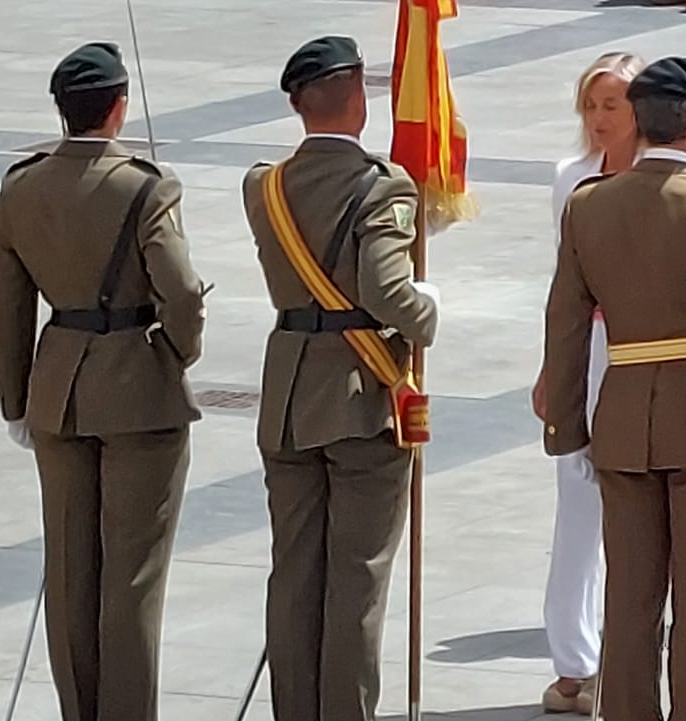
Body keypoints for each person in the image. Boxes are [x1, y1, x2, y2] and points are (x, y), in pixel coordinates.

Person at [540, 55, 686, 721]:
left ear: (638, 125)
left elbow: (563, 326)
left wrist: (566, 424)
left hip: (622, 423)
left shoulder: (589, 208)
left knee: (629, 602)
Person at [0, 41, 209, 721]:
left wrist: (15, 400)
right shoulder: (146, 185)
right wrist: (176, 352)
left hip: (58, 392)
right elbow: (182, 293)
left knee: (71, 572)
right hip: (137, 390)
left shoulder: (22, 186)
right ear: (118, 108)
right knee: (133, 579)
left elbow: (8, 304)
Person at [239, 35, 440, 721]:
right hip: (360, 398)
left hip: (289, 395)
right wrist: (428, 312)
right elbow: (388, 291)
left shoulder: (262, 184)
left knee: (294, 577)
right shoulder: (382, 185)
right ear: (357, 97)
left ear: (299, 105)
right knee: (357, 580)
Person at [533, 50, 644, 717]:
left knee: (633, 512)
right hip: (589, 348)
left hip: (651, 351)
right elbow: (561, 287)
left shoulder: (673, 177)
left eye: (615, 104)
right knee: (576, 503)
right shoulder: (570, 179)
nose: (601, 119)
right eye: (592, 105)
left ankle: (625, 654)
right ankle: (574, 660)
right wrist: (554, 366)